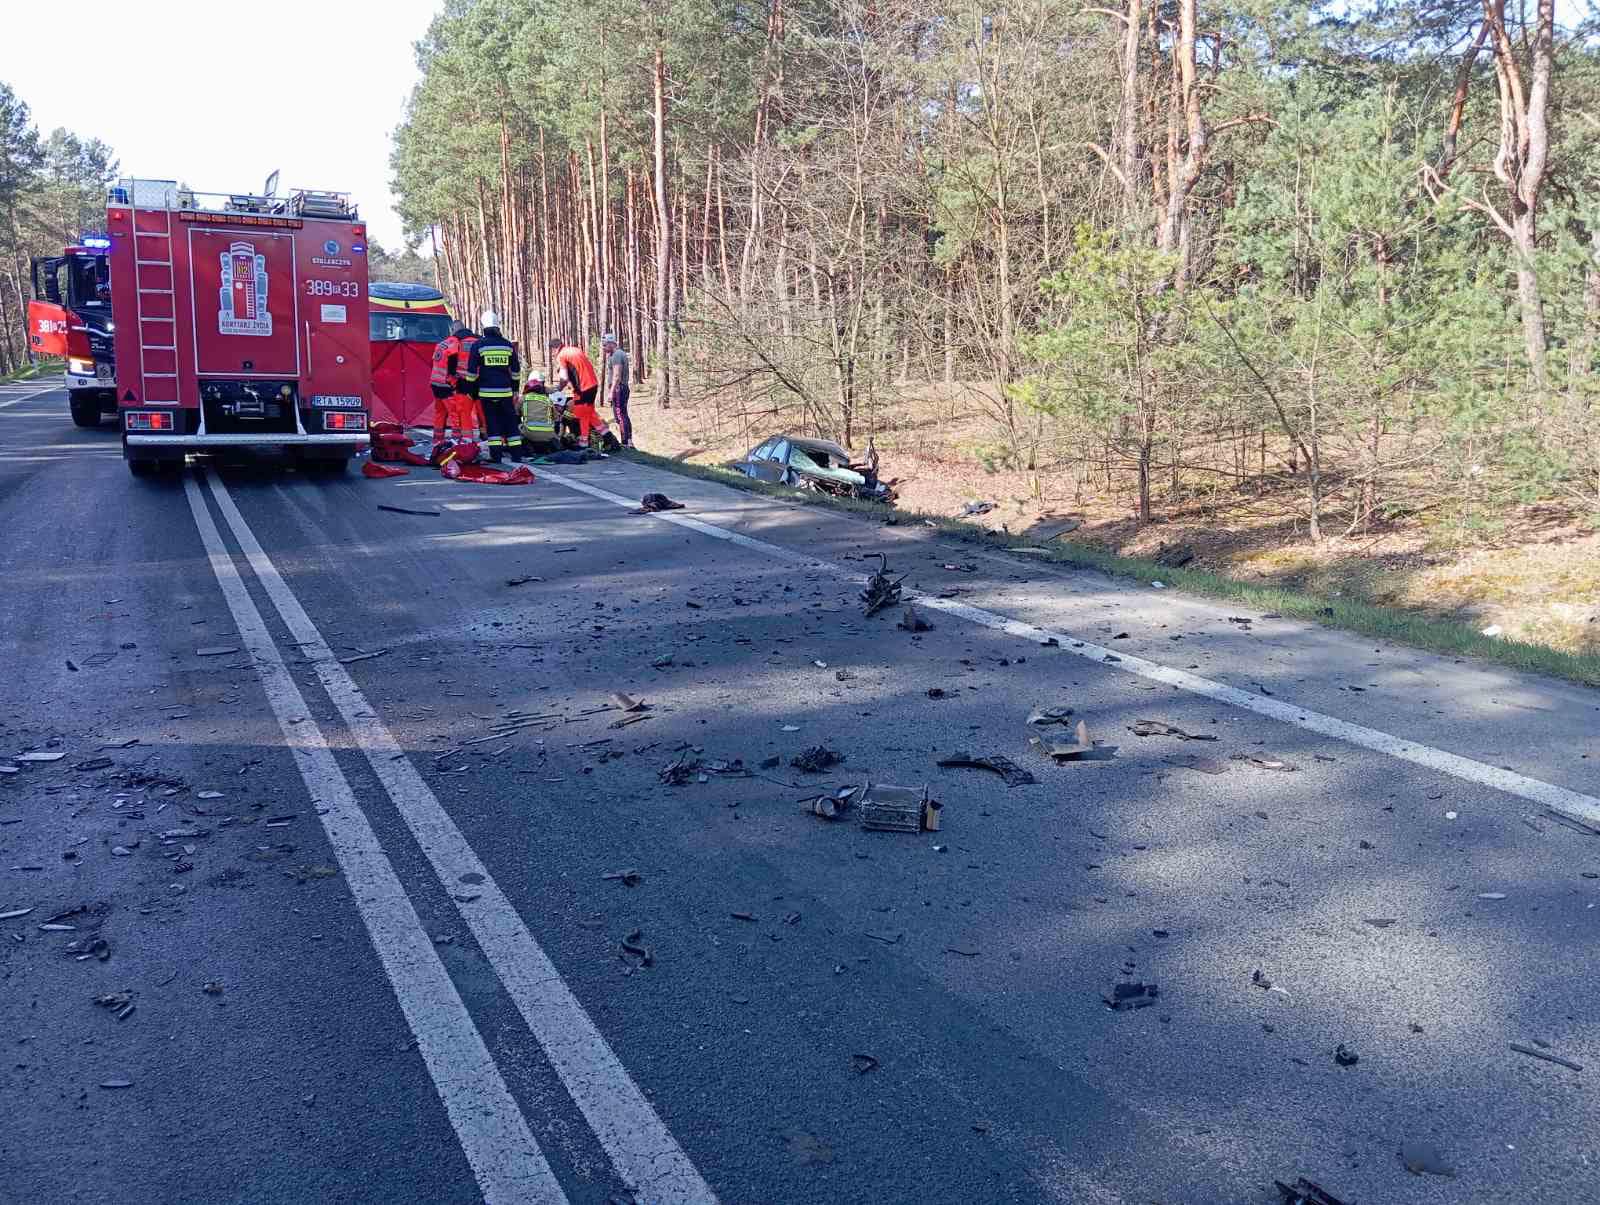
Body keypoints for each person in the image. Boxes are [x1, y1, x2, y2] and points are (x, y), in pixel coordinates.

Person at [462, 311, 522, 462]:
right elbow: (516, 371)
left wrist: (472, 391)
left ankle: (496, 456)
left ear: (483, 326)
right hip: (505, 392)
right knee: (510, 423)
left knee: (492, 424)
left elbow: (471, 373)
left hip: (486, 393)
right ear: (498, 325)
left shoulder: (478, 345)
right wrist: (515, 389)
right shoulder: (507, 346)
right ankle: (516, 455)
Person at [428, 322, 480, 443]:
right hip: (446, 384)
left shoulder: (441, 343)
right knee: (455, 413)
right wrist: (454, 377)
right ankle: (456, 439)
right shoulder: (454, 342)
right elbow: (453, 358)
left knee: (440, 412)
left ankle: (437, 440)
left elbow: (435, 362)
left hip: (435, 382)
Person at [550, 335, 601, 447]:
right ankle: (608, 438)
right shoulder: (574, 350)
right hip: (593, 385)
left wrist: (558, 388)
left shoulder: (562, 355)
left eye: (552, 352)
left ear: (555, 348)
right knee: (590, 413)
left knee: (582, 415)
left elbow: (564, 378)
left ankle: (584, 443)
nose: (553, 354)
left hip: (583, 388)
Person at [602, 332, 632, 447]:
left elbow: (617, 375)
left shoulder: (617, 355)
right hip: (620, 388)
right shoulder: (616, 354)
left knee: (619, 415)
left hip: (619, 389)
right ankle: (628, 441)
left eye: (605, 345)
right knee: (622, 414)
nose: (604, 348)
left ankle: (625, 442)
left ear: (611, 343)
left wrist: (611, 392)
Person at [518, 369, 558, 450]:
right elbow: (556, 418)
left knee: (517, 425)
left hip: (530, 435)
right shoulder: (547, 400)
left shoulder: (523, 398)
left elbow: (515, 413)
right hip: (548, 436)